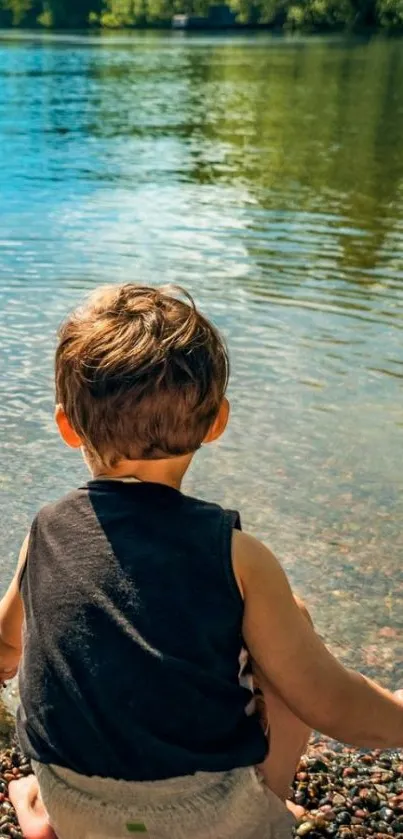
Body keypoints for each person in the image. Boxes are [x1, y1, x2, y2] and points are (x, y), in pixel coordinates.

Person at [1, 284, 403, 839]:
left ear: (67, 426)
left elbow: (6, 646)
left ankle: (39, 809)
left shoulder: (43, 531)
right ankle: (269, 808)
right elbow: (330, 702)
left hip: (74, 801)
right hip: (208, 820)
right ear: (217, 422)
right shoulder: (238, 556)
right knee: (292, 621)